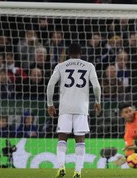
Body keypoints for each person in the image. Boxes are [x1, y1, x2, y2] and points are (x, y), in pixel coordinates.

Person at [46, 43, 101, 178]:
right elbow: (96, 87)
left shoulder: (60, 66)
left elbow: (50, 84)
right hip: (81, 108)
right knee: (80, 140)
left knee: (62, 138)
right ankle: (77, 172)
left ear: (68, 53)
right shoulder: (89, 66)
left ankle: (61, 167)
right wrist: (98, 101)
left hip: (65, 107)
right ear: (81, 53)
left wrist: (50, 104)